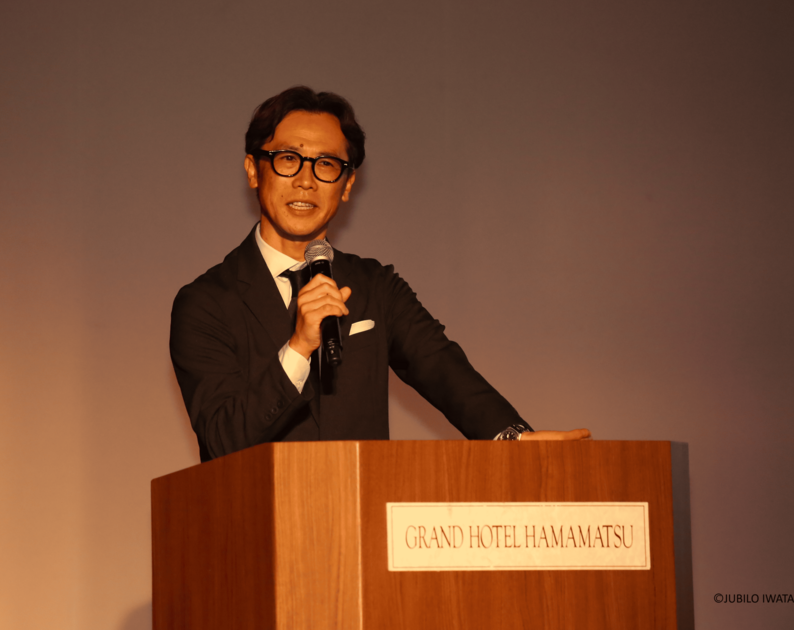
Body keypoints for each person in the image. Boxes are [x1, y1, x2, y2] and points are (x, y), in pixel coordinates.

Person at [170, 86, 590, 462]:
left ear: (347, 185)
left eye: (326, 165)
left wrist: (513, 438)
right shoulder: (206, 302)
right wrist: (298, 349)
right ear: (253, 170)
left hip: (364, 513)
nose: (306, 181)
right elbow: (222, 439)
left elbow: (442, 368)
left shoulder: (375, 286)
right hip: (261, 518)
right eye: (288, 159)